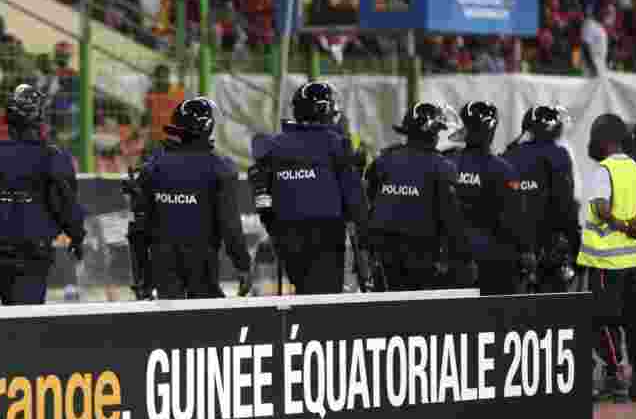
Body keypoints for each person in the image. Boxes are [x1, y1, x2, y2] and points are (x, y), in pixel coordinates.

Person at [249, 81, 367, 295]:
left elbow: (261, 190)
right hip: (326, 233)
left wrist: (273, 227)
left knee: (304, 290)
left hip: (284, 232)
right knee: (324, 297)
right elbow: (353, 197)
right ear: (325, 109)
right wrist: (364, 234)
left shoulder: (273, 144)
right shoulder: (336, 144)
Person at [0, 84, 85, 305]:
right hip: (30, 253)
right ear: (40, 118)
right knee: (24, 322)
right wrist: (77, 234)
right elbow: (65, 202)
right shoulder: (52, 155)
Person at [135, 97, 251, 299]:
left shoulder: (153, 166)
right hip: (202, 260)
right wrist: (243, 265)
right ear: (208, 127)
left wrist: (143, 275)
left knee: (170, 320)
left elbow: (142, 222)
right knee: (207, 321)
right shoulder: (219, 168)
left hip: (162, 261)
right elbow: (230, 225)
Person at [577, 114, 636, 402]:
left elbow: (602, 209)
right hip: (633, 262)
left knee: (602, 320)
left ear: (605, 140)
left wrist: (620, 225)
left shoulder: (603, 171)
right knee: (635, 320)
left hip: (605, 263)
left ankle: (614, 375)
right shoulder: (634, 168)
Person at [365, 102, 467, 291]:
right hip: (422, 255)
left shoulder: (383, 161)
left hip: (382, 254)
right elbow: (451, 217)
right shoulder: (442, 167)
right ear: (433, 133)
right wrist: (463, 257)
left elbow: (368, 199)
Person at [442, 101, 526, 294]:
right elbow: (515, 218)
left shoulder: (447, 164)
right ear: (492, 129)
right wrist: (525, 250)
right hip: (495, 262)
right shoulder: (504, 170)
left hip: (453, 259)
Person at [502, 106, 580, 293]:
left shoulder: (508, 154)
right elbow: (565, 205)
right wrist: (576, 244)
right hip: (548, 248)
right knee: (551, 314)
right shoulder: (558, 154)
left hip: (512, 247)